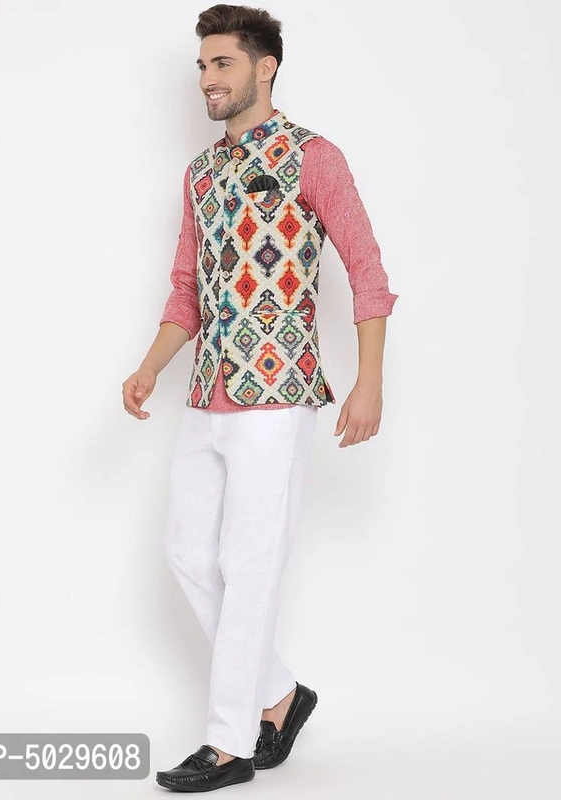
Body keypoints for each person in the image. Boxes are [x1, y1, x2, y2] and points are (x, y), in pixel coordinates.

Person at [122, 4, 398, 792]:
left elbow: (367, 272)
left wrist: (370, 381)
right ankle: (280, 694)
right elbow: (186, 290)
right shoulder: (199, 174)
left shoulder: (314, 157)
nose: (207, 79)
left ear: (264, 67)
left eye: (222, 64)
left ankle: (229, 744)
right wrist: (150, 368)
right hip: (207, 393)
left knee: (249, 568)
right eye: (202, 66)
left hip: (277, 396)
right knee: (186, 555)